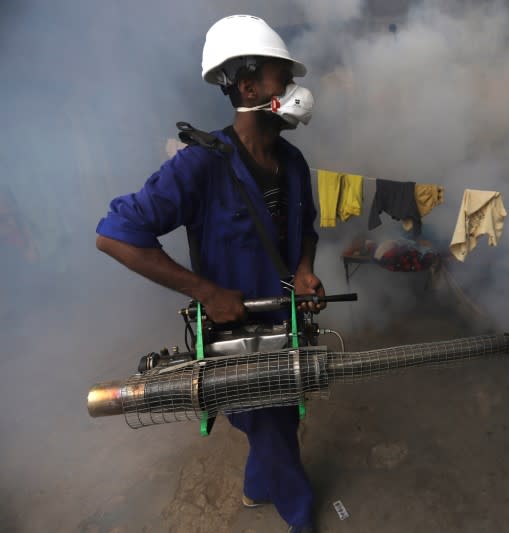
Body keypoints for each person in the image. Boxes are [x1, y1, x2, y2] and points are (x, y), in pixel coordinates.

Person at [95, 14, 322, 533]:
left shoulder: (293, 163)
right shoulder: (200, 165)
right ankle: (301, 514)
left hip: (285, 322)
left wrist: (305, 271)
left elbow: (306, 228)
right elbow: (115, 233)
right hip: (236, 337)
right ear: (246, 85)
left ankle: (257, 486)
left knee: (277, 419)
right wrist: (207, 292)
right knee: (275, 422)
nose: (293, 88)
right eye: (282, 76)